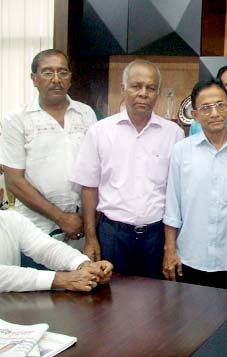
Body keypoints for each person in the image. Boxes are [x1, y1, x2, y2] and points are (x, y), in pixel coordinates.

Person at [69, 60, 185, 279]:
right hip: (112, 234)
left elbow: (176, 192)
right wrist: (91, 238)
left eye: (150, 88)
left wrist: (171, 245)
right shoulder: (100, 132)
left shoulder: (174, 134)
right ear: (123, 89)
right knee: (109, 300)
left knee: (156, 302)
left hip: (156, 235)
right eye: (136, 86)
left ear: (158, 93)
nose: (143, 93)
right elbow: (89, 187)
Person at [162, 79, 227, 291]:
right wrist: (169, 251)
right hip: (189, 257)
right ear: (195, 115)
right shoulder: (182, 151)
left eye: (220, 105)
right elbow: (172, 206)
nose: (215, 113)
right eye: (206, 108)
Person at [0, 49, 96, 244]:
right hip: (35, 230)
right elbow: (14, 182)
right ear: (34, 78)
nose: (56, 79)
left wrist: (87, 222)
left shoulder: (86, 114)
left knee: (81, 274)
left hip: (81, 227)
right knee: (38, 275)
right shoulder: (17, 120)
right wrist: (61, 218)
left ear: (70, 77)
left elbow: (95, 171)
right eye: (47, 72)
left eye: (62, 72)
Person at [1, 187, 112, 292]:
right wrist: (61, 279)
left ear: (0, 195)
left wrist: (85, 265)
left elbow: (46, 248)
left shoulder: (12, 220)